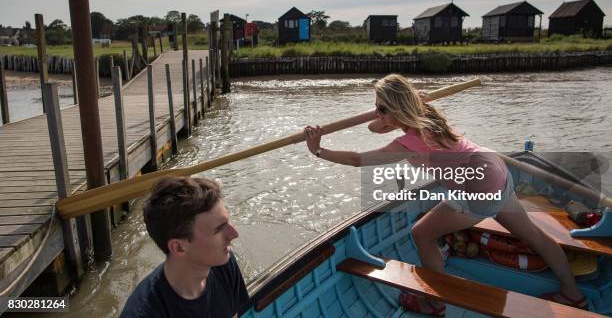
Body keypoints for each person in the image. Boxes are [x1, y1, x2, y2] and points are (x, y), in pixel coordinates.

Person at [304, 73, 586, 316]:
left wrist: (318, 150)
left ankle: (433, 303)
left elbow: (358, 160)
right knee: (533, 236)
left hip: (476, 187)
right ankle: (573, 294)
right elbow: (374, 126)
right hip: (494, 170)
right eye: (375, 106)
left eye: (381, 107)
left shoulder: (408, 142)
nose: (376, 113)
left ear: (398, 110)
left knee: (421, 233)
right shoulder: (430, 116)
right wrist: (385, 111)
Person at [121, 176, 248, 318]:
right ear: (179, 248)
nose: (234, 233)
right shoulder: (143, 313)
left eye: (227, 221)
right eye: (219, 229)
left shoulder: (224, 264)